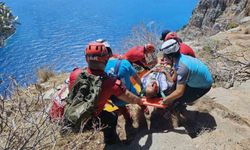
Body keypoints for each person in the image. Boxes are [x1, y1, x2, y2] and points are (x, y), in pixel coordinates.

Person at [66, 40, 143, 144]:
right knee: (111, 117)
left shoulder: (75, 74)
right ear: (106, 59)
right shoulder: (111, 83)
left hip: (70, 117)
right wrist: (140, 101)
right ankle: (112, 142)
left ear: (86, 59)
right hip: (89, 121)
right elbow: (131, 98)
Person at [160, 39, 213, 123]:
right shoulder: (179, 59)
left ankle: (186, 119)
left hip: (203, 85)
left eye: (165, 56)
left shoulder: (182, 67)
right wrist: (165, 72)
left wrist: (166, 100)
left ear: (170, 56)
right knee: (174, 94)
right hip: (200, 78)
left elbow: (179, 92)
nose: (163, 58)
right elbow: (174, 79)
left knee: (179, 98)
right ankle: (177, 108)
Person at [104, 40, 142, 127]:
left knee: (122, 109)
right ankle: (145, 110)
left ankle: (128, 119)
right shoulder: (124, 62)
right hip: (132, 95)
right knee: (139, 99)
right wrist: (142, 87)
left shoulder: (102, 70)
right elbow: (136, 77)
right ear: (110, 51)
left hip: (117, 100)